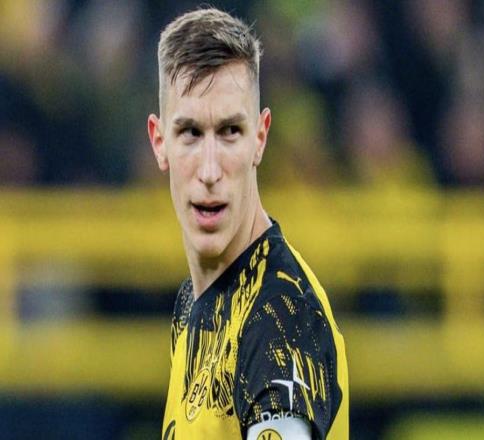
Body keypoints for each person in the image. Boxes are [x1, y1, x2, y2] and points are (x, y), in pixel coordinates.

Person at [147, 8, 348, 440]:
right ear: (159, 142)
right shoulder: (194, 303)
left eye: (230, 132)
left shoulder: (278, 314)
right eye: (190, 133)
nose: (209, 170)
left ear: (260, 137)